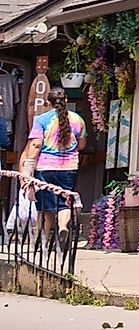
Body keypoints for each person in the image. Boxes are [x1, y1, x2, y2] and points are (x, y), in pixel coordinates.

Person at [17, 76, 83, 236]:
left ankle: (45, 237)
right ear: (65, 100)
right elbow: (81, 145)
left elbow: (35, 145)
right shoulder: (77, 119)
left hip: (45, 167)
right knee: (65, 201)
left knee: (45, 203)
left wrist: (28, 166)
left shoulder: (41, 120)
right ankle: (62, 227)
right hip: (69, 167)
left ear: (48, 102)